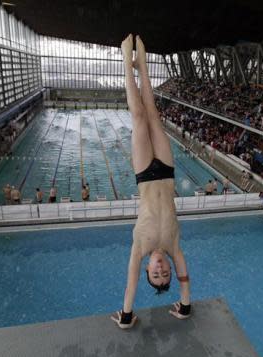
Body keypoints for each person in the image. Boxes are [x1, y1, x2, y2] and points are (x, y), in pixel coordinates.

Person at [111, 35, 190, 329]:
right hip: (167, 172)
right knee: (155, 116)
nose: (160, 269)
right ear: (169, 267)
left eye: (154, 274)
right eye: (164, 273)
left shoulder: (140, 247)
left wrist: (127, 316)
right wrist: (184, 306)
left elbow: (130, 283)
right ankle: (142, 65)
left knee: (139, 117)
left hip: (145, 173)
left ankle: (126, 62)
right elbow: (186, 279)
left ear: (147, 268)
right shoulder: (174, 245)